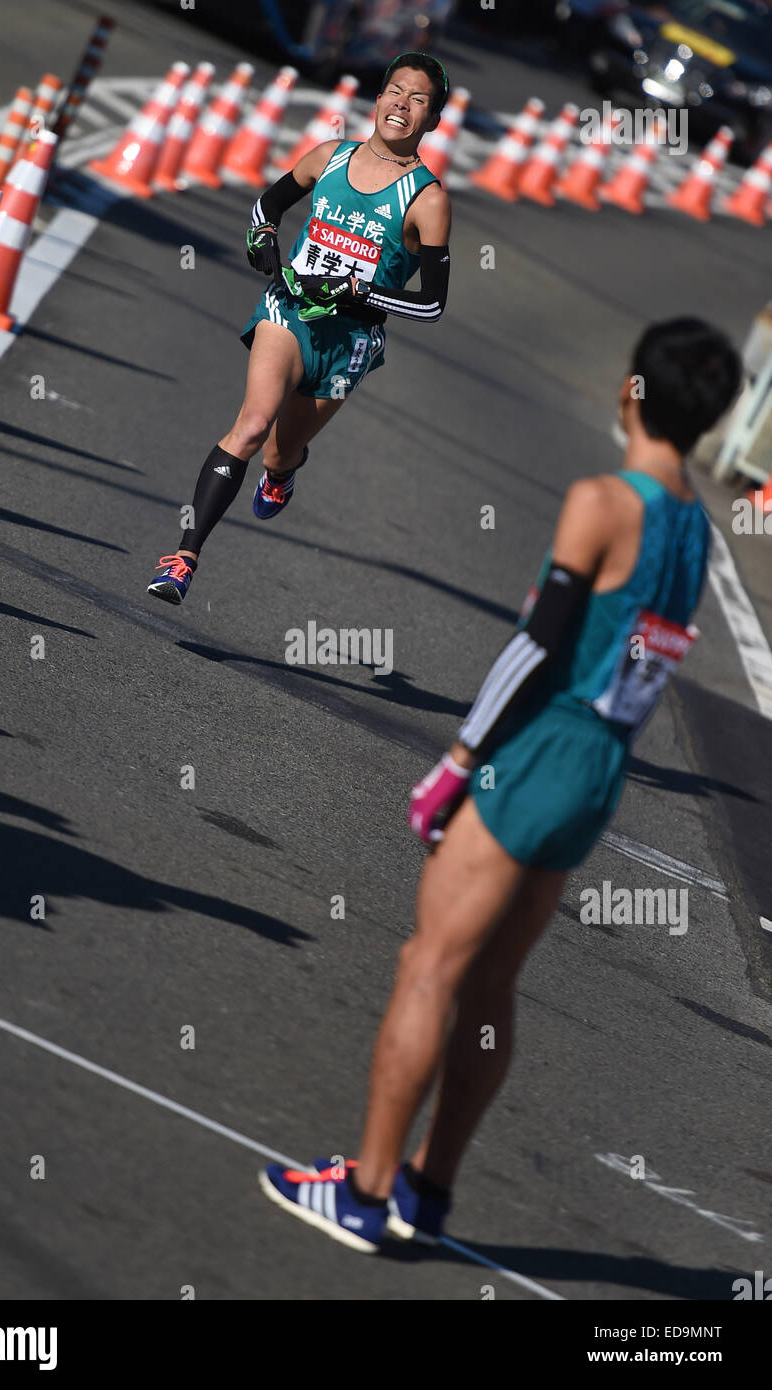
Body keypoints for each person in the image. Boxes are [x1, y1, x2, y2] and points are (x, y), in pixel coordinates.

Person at [258, 318, 742, 1252]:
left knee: (428, 966)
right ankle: (428, 1191)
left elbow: (538, 645)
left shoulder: (607, 500)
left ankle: (362, 1192)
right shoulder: (697, 534)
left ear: (633, 393)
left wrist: (459, 760)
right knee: (491, 986)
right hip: (602, 766)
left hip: (541, 748)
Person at [147, 52, 452, 603]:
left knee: (278, 451)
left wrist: (359, 291)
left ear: (431, 121)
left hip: (349, 342)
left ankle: (284, 473)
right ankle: (183, 558)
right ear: (378, 98)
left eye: (419, 100)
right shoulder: (330, 157)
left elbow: (432, 304)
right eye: (395, 91)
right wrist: (261, 237)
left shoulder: (428, 200)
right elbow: (268, 204)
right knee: (253, 424)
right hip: (287, 313)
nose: (402, 105)